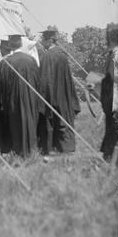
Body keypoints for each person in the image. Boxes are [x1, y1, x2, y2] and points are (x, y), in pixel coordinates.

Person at [38, 27, 80, 155]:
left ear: (50, 40)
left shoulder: (48, 57)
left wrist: (43, 98)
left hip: (53, 96)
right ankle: (68, 147)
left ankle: (53, 148)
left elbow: (46, 81)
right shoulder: (62, 55)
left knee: (52, 121)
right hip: (64, 95)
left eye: (43, 40)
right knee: (64, 120)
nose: (42, 42)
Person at [0, 34, 41, 157]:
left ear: (10, 46)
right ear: (21, 44)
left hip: (13, 100)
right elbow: (37, 81)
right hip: (31, 98)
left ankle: (18, 150)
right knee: (30, 122)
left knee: (16, 123)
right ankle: (32, 149)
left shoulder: (6, 62)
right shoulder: (31, 60)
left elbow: (3, 85)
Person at [99, 23, 118, 163]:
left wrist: (98, 79)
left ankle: (109, 157)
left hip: (115, 99)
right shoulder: (112, 54)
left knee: (113, 128)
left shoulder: (116, 54)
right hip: (111, 99)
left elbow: (112, 76)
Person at [0, 39, 13, 153]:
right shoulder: (17, 62)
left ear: (3, 50)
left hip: (3, 101)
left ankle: (6, 147)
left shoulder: (0, 65)